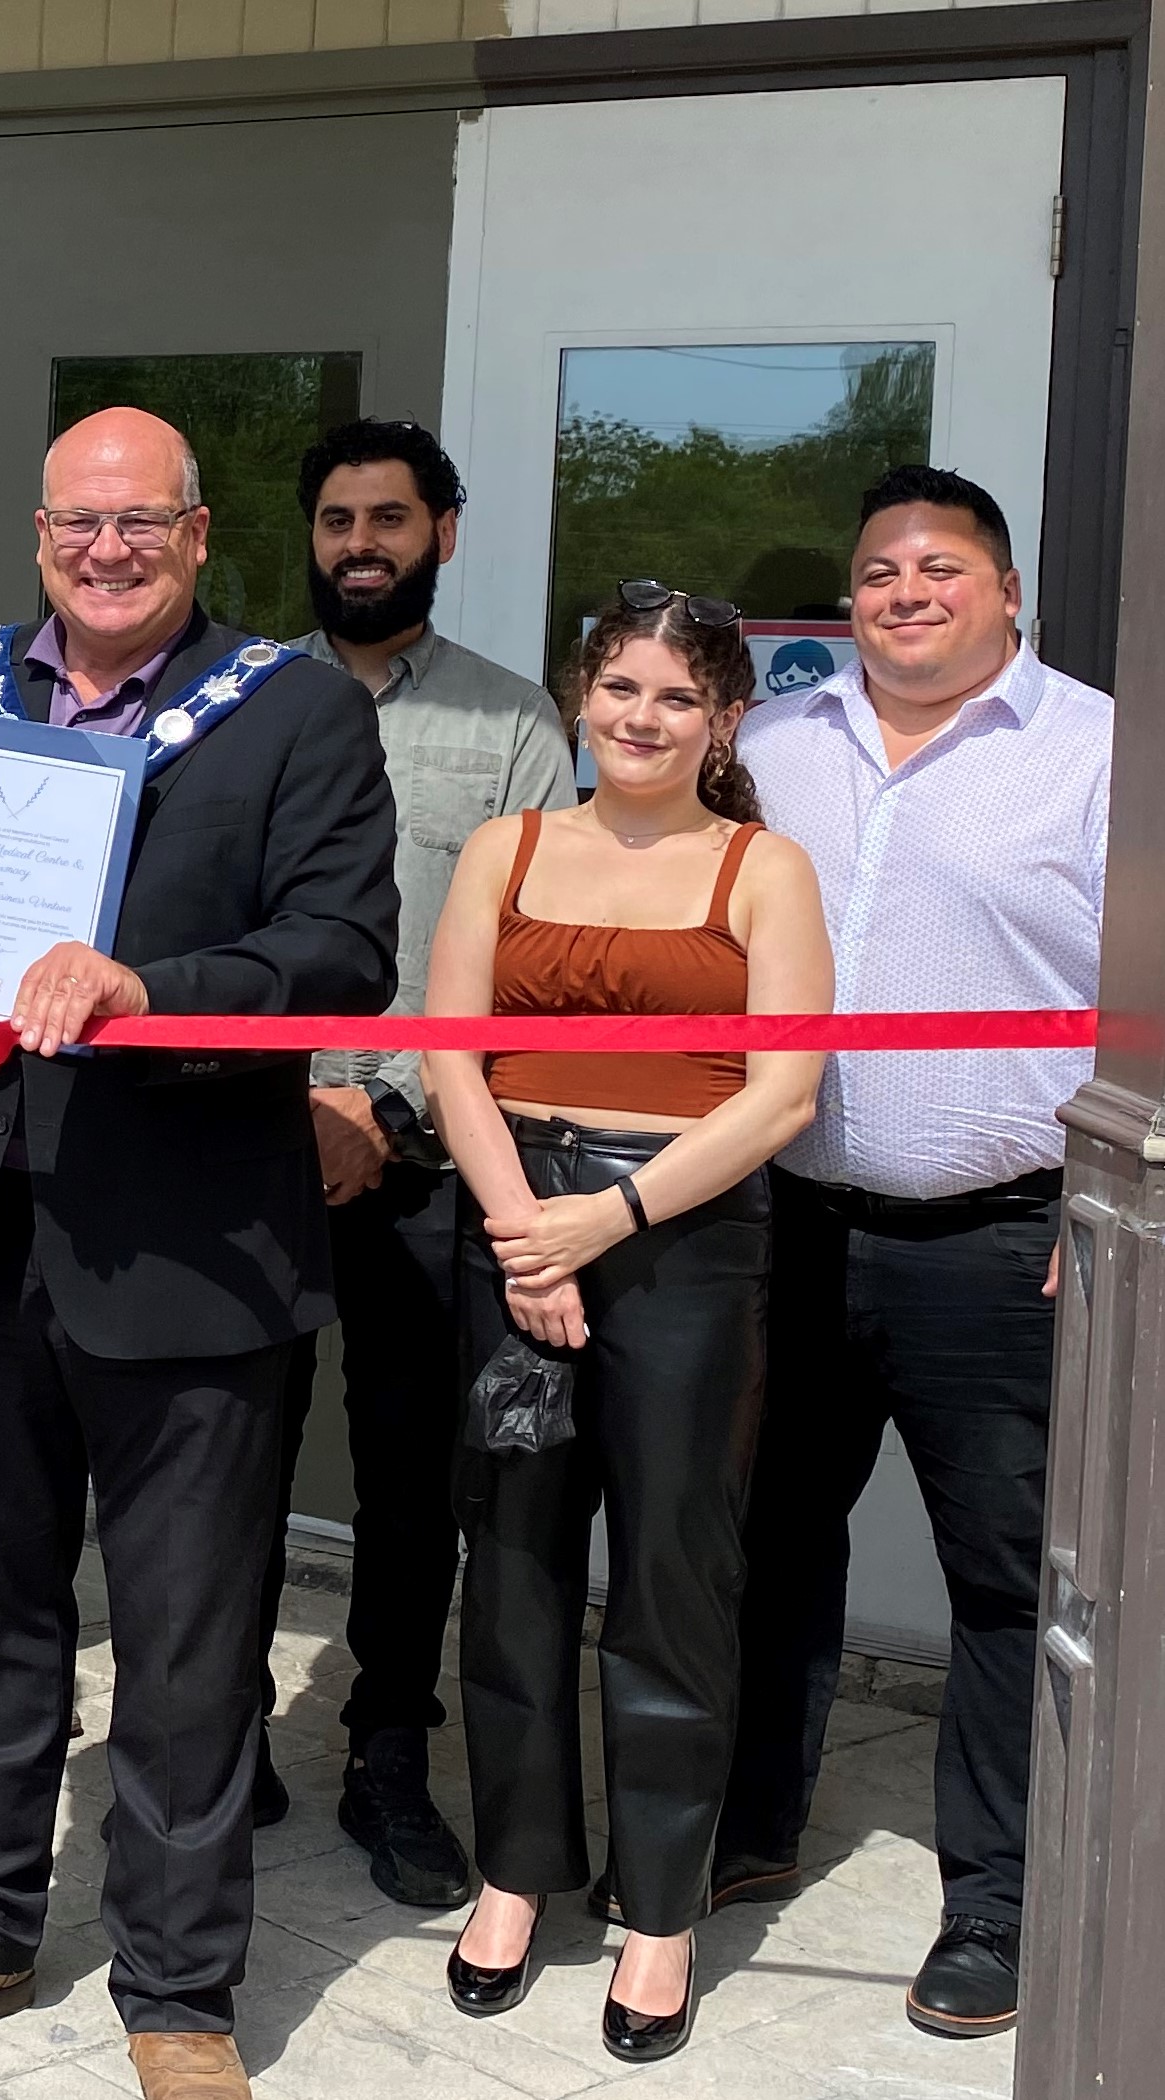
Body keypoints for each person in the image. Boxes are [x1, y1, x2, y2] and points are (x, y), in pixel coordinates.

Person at [0, 407, 399, 2100]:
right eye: (79, 524)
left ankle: (176, 1987)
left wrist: (154, 991)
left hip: (193, 1250)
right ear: (44, 527)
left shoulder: (291, 711)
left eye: (140, 525)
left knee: (186, 1642)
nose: (107, 551)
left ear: (199, 536)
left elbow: (339, 951)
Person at [716, 466, 1107, 2041]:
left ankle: (995, 1899)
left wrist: (1115, 1214)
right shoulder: (771, 745)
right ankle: (746, 1827)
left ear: (1004, 593)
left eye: (941, 568)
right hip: (788, 1227)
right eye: (879, 571)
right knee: (764, 1540)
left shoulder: (1097, 753)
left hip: (1000, 1245)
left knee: (1003, 1583)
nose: (905, 593)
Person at [422, 583, 830, 2064]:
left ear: (722, 719)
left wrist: (611, 1219)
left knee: (672, 1575)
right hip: (511, 1220)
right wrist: (525, 1238)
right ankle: (514, 1874)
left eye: (673, 696)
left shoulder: (763, 869)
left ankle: (657, 1908)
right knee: (515, 1560)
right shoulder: (506, 846)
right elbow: (451, 1052)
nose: (638, 719)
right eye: (616, 688)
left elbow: (781, 1093)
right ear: (578, 696)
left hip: (683, 1242)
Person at [256, 420, 576, 1904]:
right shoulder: (236, 705)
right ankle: (213, 1738)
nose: (360, 542)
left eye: (390, 516)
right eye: (335, 519)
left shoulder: (519, 729)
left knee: (405, 1475)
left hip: (426, 1157)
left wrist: (376, 1105)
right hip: (240, 1145)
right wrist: (294, 1097)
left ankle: (386, 1744)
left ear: (444, 532)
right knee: (223, 1462)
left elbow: (520, 956)